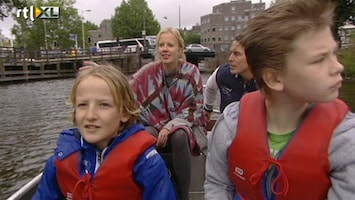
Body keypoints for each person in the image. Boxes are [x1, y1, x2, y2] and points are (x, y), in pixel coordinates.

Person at [204, 0, 355, 199]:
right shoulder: (231, 123)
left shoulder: (346, 140)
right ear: (274, 78)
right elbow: (218, 185)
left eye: (333, 53)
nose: (338, 67)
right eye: (319, 59)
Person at [33, 64, 176, 200]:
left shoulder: (147, 164)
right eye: (82, 105)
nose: (90, 115)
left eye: (104, 105)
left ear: (124, 113)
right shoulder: (59, 161)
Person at [130, 27, 206, 200]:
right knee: (145, 135)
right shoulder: (149, 71)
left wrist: (169, 127)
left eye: (170, 45)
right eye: (161, 45)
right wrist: (105, 76)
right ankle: (153, 192)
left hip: (187, 125)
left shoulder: (191, 72)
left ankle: (183, 195)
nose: (165, 49)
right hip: (156, 124)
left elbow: (194, 109)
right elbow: (126, 88)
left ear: (179, 49)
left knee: (178, 135)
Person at [203, 36, 257, 121]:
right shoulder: (222, 73)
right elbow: (210, 88)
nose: (230, 59)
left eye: (236, 54)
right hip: (227, 128)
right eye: (231, 53)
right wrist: (208, 108)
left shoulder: (266, 81)